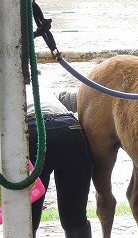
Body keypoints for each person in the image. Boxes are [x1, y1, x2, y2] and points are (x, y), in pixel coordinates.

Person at [26, 87, 92, 238]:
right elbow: (75, 99)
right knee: (75, 218)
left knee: (27, 217)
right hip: (69, 129)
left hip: (33, 131)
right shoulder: (41, 89)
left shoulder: (8, 93)